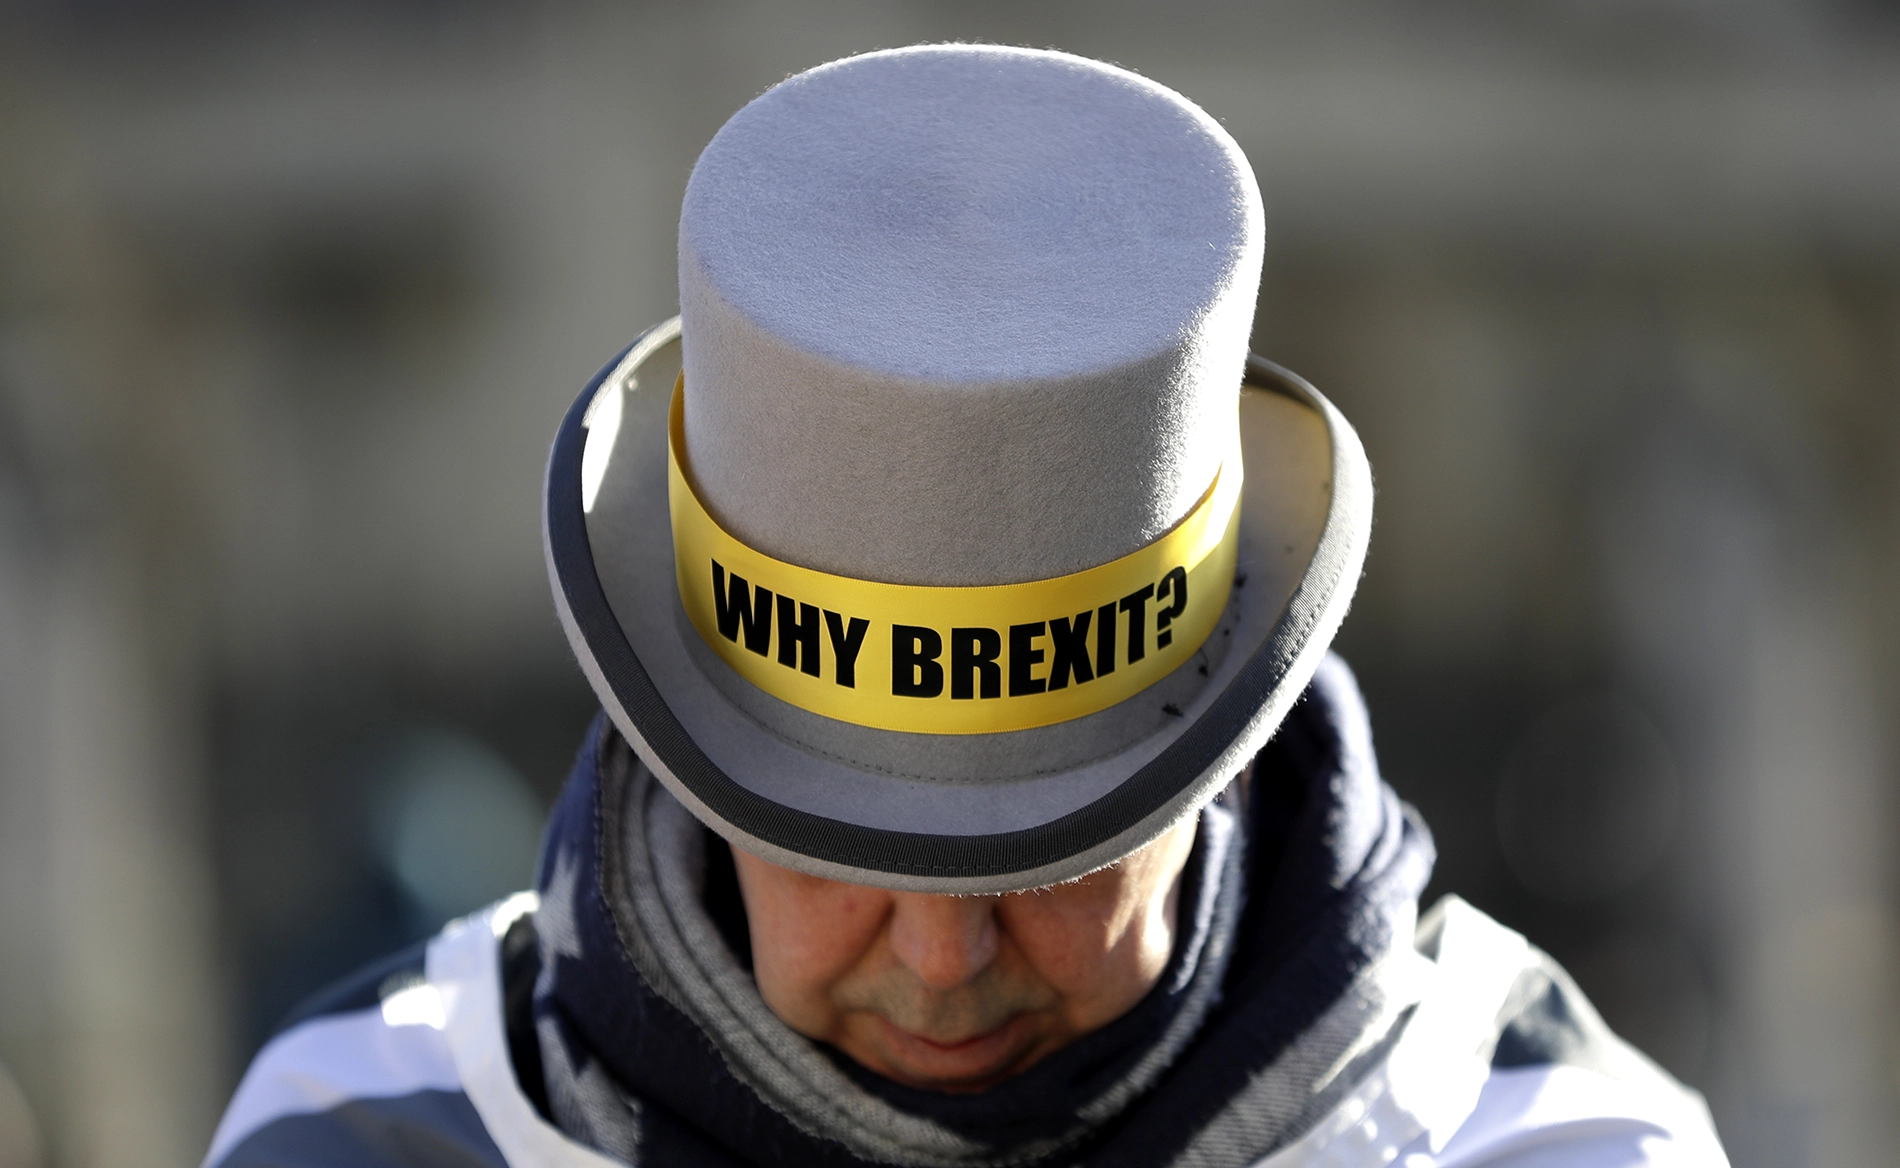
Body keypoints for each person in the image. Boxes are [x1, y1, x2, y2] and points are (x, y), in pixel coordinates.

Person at [203, 45, 1730, 1168]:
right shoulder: (363, 1138)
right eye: (832, 839)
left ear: (1216, 761)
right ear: (683, 749)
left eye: (1053, 848)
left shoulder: (1562, 1146)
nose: (944, 960)